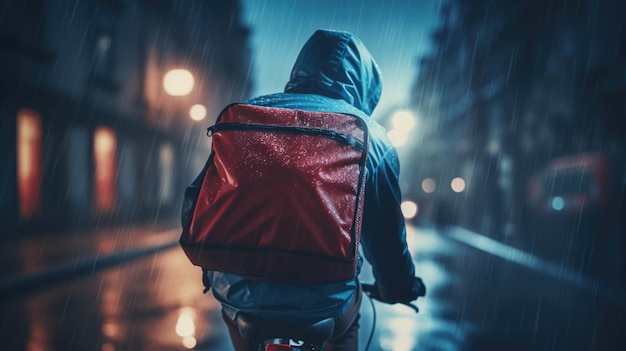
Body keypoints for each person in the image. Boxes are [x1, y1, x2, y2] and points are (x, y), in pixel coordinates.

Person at [182, 29, 425, 351]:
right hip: (325, 299)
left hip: (238, 290)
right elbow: (385, 237)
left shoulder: (248, 115)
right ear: (365, 85)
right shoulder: (372, 137)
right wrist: (397, 287)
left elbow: (198, 203)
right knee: (346, 322)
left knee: (236, 314)